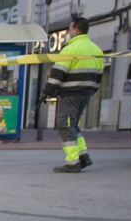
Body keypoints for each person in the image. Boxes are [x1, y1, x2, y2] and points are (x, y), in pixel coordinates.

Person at [43, 17, 104, 173]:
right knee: (73, 124)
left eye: (70, 30)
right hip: (86, 93)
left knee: (66, 125)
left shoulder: (71, 49)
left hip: (70, 94)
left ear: (76, 30)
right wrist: (90, 90)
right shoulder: (96, 50)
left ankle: (72, 162)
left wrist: (49, 89)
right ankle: (83, 156)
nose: (69, 34)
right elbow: (99, 77)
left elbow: (58, 73)